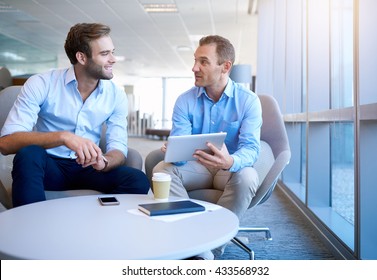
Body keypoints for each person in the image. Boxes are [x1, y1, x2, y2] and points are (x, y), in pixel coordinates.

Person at [0, 23, 150, 207]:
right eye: (105, 54)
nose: (113, 59)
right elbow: (6, 143)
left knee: (138, 180)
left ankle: (99, 225)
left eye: (112, 52)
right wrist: (63, 137)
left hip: (89, 169)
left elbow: (118, 147)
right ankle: (32, 226)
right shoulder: (42, 83)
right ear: (82, 57)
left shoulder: (116, 95)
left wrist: (105, 161)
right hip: (50, 167)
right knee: (29, 154)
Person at [153, 35, 262, 259]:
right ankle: (187, 238)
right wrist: (175, 151)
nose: (194, 68)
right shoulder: (185, 100)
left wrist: (230, 161)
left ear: (225, 67)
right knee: (162, 169)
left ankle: (208, 249)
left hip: (228, 170)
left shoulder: (248, 101)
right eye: (195, 60)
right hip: (196, 167)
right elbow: (180, 154)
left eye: (203, 62)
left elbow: (251, 149)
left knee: (249, 176)